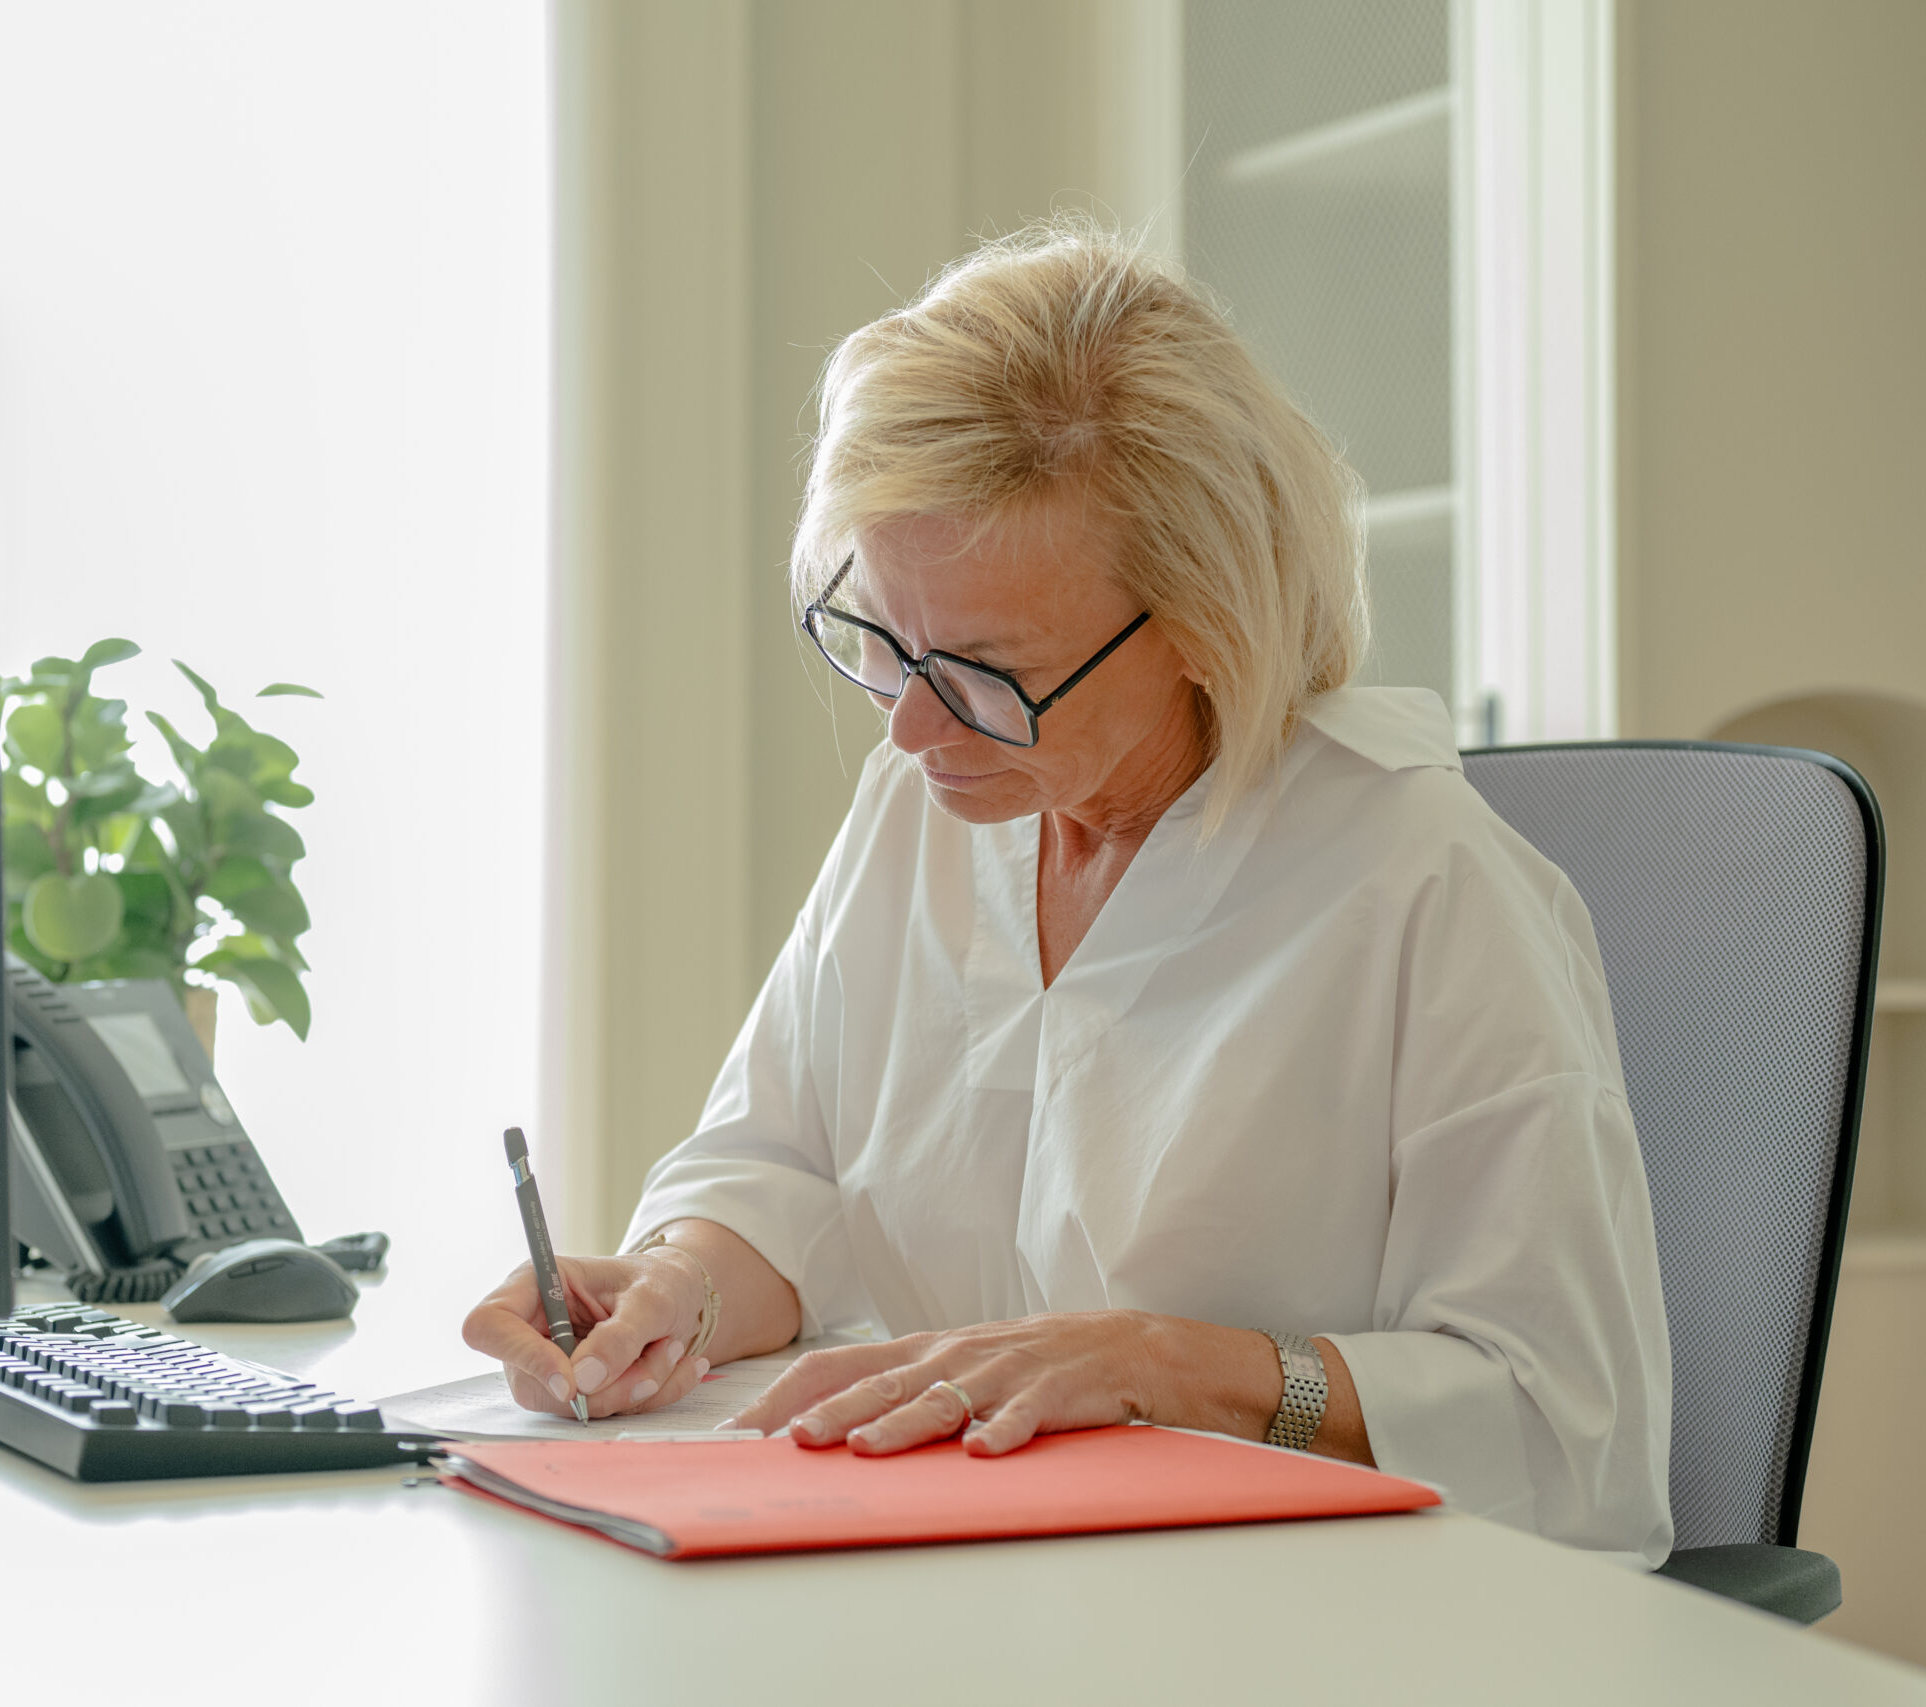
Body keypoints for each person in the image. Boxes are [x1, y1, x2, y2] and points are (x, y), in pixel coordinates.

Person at [462, 218, 1673, 1561]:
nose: (910, 733)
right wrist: (675, 1293)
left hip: (1277, 1616)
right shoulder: (918, 820)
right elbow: (782, 1174)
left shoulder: (1429, 888)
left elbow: (1568, 1428)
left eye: (987, 673)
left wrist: (1164, 1362)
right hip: (936, 1570)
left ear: (1210, 622)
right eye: (881, 640)